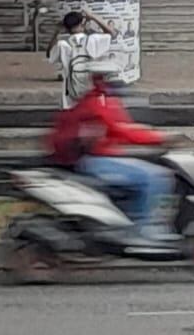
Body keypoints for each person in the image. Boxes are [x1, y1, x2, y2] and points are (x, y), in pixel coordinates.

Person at [47, 70, 174, 244]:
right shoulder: (100, 103)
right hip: (95, 161)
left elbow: (120, 131)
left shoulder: (94, 101)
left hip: (93, 159)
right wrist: (158, 138)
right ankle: (144, 230)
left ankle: (132, 223)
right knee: (155, 177)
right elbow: (122, 130)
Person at [48, 10, 119, 109]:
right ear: (82, 24)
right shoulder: (92, 40)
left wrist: (57, 32)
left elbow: (49, 55)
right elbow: (112, 33)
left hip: (70, 100)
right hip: (93, 98)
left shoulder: (62, 45)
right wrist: (93, 17)